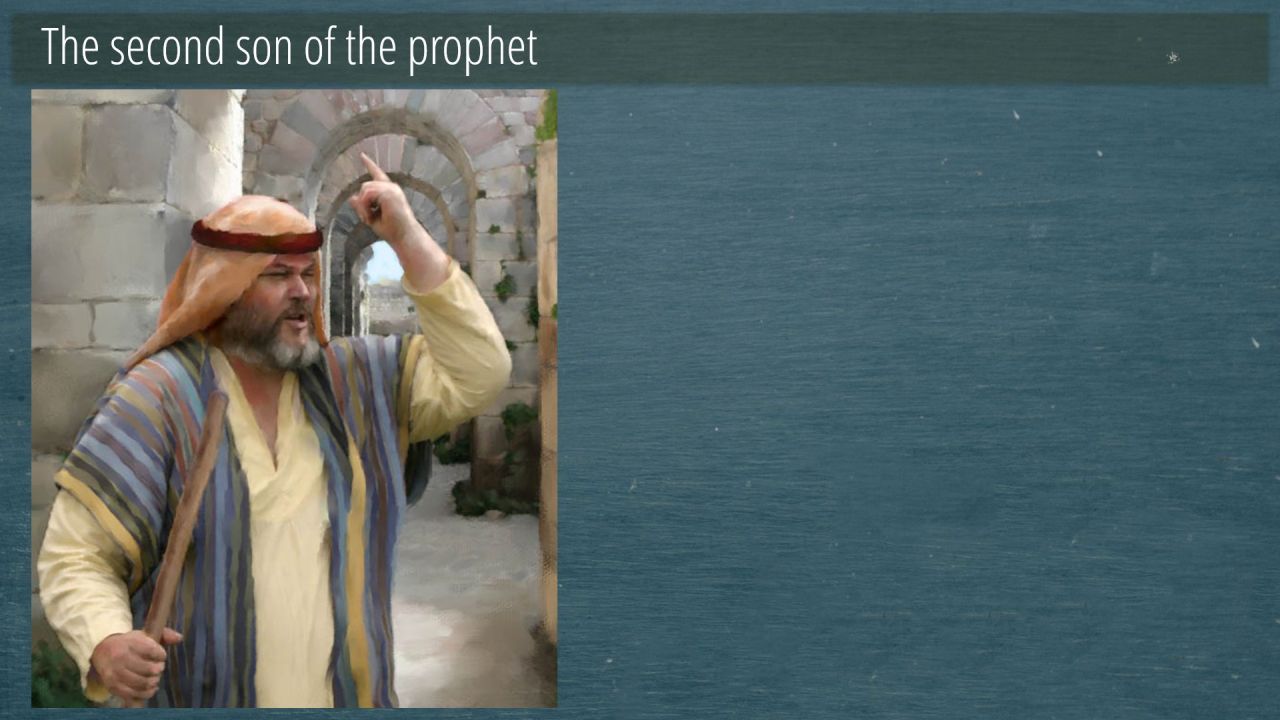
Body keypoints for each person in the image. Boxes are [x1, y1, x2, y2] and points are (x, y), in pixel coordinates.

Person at [37, 154, 512, 708]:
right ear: (227, 288)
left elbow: (481, 372)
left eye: (309, 274)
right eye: (279, 275)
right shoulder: (159, 397)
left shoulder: (356, 381)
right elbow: (77, 555)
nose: (303, 292)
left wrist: (405, 235)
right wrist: (106, 639)